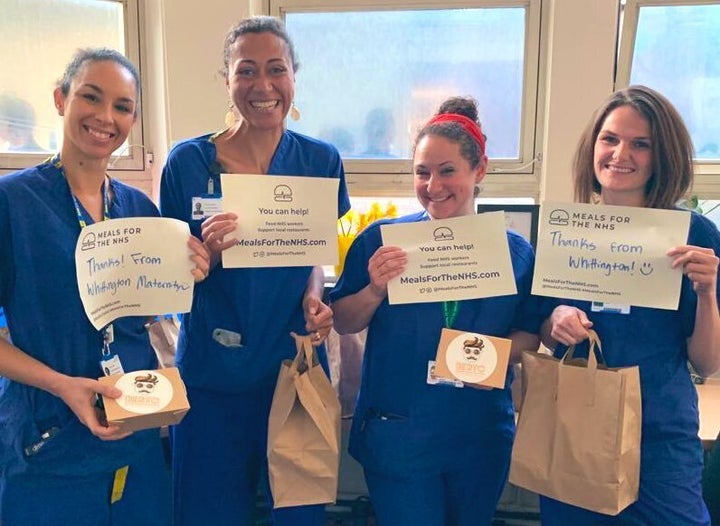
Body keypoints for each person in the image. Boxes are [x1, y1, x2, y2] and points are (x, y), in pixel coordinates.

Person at [0, 48, 209, 525]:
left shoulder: (139, 210)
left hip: (134, 431)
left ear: (133, 119)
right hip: (49, 438)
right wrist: (61, 385)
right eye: (90, 97)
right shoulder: (12, 204)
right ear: (61, 99)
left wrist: (188, 272)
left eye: (122, 106)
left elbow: (148, 318)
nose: (105, 117)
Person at [159, 16, 350, 526]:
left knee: (299, 512)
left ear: (293, 76)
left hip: (293, 366)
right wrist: (208, 253)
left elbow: (313, 250)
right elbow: (169, 277)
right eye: (246, 71)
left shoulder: (320, 160)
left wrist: (316, 297)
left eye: (275, 70)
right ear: (226, 80)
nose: (262, 87)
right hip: (212, 375)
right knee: (209, 512)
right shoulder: (188, 163)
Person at [329, 96, 541, 525]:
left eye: (448, 171)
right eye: (422, 172)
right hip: (400, 432)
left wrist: (495, 360)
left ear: (479, 170)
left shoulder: (514, 253)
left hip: (478, 434)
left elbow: (532, 332)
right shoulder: (382, 241)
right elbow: (343, 320)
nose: (433, 185)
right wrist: (374, 289)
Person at [539, 85, 720, 525]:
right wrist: (556, 319)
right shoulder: (566, 231)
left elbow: (709, 362)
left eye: (641, 144)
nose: (621, 154)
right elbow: (542, 326)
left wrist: (707, 293)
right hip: (576, 428)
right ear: (593, 146)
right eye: (611, 139)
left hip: (658, 434)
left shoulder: (694, 235)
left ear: (664, 156)